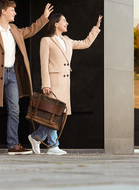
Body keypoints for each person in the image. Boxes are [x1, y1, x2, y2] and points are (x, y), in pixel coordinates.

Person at [0, 0, 54, 155]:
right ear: (3, 11)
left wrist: (44, 17)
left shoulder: (14, 30)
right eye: (12, 10)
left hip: (11, 74)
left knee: (15, 110)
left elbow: (31, 30)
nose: (15, 13)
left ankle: (13, 145)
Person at [28, 13, 102, 155]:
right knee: (53, 114)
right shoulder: (46, 41)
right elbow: (43, 64)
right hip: (53, 83)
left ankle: (36, 138)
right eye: (64, 20)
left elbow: (86, 43)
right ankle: (53, 146)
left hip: (65, 83)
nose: (67, 23)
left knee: (59, 115)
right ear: (55, 23)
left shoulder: (67, 40)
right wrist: (45, 83)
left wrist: (96, 27)